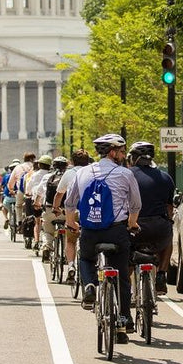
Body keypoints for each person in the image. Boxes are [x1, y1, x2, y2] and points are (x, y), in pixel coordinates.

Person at [65, 134, 141, 343]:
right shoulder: (125, 174)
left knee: (86, 259)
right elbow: (135, 205)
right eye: (122, 151)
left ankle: (89, 286)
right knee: (122, 276)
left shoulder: (81, 173)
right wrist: (132, 223)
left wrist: (71, 223)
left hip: (90, 230)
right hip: (117, 231)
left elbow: (70, 203)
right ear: (113, 153)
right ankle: (124, 321)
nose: (124, 155)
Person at [127, 140, 175, 294]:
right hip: (158, 227)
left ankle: (126, 284)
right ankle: (161, 274)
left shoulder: (127, 175)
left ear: (133, 158)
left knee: (125, 251)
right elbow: (169, 208)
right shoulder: (165, 177)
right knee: (168, 238)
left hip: (133, 226)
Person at [52, 149, 91, 283]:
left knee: (71, 240)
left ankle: (71, 266)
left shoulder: (69, 174)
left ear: (73, 162)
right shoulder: (93, 172)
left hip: (73, 212)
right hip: (91, 211)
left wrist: (55, 208)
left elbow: (59, 194)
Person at [35, 155, 69, 261]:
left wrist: (37, 203)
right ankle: (65, 254)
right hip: (65, 210)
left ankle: (47, 246)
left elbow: (39, 192)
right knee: (67, 231)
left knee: (47, 231)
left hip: (49, 209)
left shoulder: (47, 177)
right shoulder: (69, 176)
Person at [24, 155, 52, 251]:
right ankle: (47, 243)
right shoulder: (52, 174)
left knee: (37, 222)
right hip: (49, 201)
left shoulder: (35, 174)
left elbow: (29, 187)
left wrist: (28, 193)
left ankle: (36, 241)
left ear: (39, 165)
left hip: (37, 200)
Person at [8, 152, 36, 228]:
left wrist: (11, 190)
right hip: (33, 192)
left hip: (21, 190)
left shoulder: (18, 167)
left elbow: (11, 182)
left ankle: (19, 221)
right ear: (31, 159)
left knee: (18, 205)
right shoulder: (36, 166)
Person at [1, 160, 19, 228]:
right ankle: (20, 222)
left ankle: (6, 218)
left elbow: (1, 186)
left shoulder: (6, 176)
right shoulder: (21, 176)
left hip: (8, 198)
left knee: (3, 207)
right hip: (18, 197)